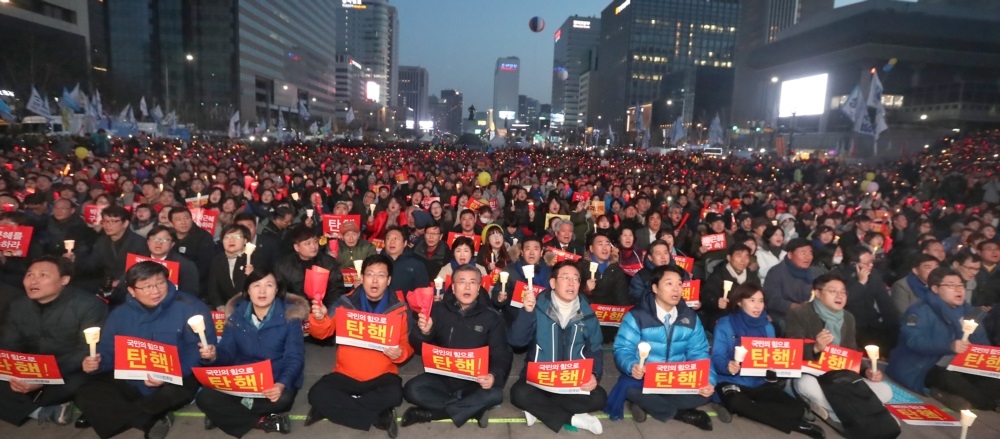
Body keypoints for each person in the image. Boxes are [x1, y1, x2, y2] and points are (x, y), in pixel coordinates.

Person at [75, 262, 217, 439]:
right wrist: (98, 362)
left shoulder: (191, 307)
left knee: (165, 397)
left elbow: (197, 351)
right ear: (132, 291)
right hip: (133, 378)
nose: (155, 291)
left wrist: (167, 375)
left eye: (160, 283)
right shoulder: (119, 314)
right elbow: (109, 350)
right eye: (147, 287)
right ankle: (150, 420)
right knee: (85, 393)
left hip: (177, 377)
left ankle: (127, 414)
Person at [304, 254, 413, 438]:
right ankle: (378, 417)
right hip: (346, 374)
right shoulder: (344, 303)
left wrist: (399, 353)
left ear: (389, 280)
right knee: (316, 393)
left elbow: (407, 345)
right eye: (370, 274)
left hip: (381, 376)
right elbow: (322, 333)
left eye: (381, 275)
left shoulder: (400, 309)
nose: (375, 280)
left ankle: (332, 409)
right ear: (361, 278)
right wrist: (320, 318)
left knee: (394, 394)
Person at [196, 270, 307, 437]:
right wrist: (214, 355)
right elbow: (227, 353)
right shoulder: (236, 316)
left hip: (274, 378)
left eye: (269, 285)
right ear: (248, 290)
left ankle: (223, 415)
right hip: (243, 379)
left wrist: (281, 384)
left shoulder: (290, 316)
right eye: (256, 285)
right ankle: (262, 421)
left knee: (282, 400)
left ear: (277, 290)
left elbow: (294, 357)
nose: (262, 291)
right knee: (204, 397)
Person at [606, 265, 718, 430]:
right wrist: (632, 366)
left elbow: (699, 352)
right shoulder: (637, 316)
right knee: (629, 388)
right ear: (655, 288)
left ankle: (649, 404)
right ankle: (680, 414)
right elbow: (623, 349)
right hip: (646, 376)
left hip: (676, 378)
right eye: (669, 283)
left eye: (680, 284)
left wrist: (708, 379)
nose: (676, 289)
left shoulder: (690, 318)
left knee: (705, 393)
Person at [0, 256, 108, 426]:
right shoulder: (18, 305)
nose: (33, 280)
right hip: (32, 366)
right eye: (29, 275)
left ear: (64, 279)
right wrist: (15, 372)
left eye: (43, 275)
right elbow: (9, 344)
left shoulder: (89, 305)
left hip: (70, 368)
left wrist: (42, 378)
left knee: (83, 383)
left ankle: (27, 403)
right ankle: (40, 411)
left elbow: (85, 351)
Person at [403, 264, 512, 428]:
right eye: (461, 282)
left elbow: (502, 354)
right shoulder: (438, 310)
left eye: (472, 282)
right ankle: (473, 409)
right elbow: (417, 346)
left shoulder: (492, 317)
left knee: (495, 395)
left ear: (479, 288)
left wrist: (493, 375)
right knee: (412, 389)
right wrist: (424, 331)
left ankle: (432, 413)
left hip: (474, 381)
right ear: (453, 288)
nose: (467, 287)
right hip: (442, 377)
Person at [711, 283, 826, 438]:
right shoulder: (726, 324)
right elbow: (717, 357)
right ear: (739, 302)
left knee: (796, 408)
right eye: (752, 300)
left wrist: (774, 371)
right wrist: (727, 366)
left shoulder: (767, 327)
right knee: (737, 402)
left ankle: (750, 409)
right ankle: (799, 426)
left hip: (758, 382)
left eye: (761, 300)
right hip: (731, 380)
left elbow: (771, 359)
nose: (757, 306)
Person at [508, 261, 607, 435]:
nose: (571, 283)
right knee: (518, 393)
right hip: (540, 380)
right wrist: (526, 313)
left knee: (600, 397)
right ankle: (573, 418)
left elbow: (596, 348)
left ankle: (537, 409)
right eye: (566, 278)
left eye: (576, 279)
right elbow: (517, 341)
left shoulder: (588, 313)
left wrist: (594, 374)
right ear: (553, 283)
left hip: (572, 381)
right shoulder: (537, 306)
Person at [786, 273, 893, 431]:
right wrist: (815, 347)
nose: (839, 296)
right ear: (817, 292)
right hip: (810, 374)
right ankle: (843, 414)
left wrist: (867, 371)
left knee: (886, 390)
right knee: (806, 385)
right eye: (833, 291)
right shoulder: (800, 312)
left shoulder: (848, 318)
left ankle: (833, 410)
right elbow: (790, 349)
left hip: (838, 379)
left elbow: (852, 351)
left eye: (843, 292)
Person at [887, 267, 1000, 412]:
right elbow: (914, 341)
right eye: (951, 285)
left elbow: (983, 343)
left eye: (960, 285)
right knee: (950, 379)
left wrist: (982, 355)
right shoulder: (919, 310)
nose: (959, 290)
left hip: (960, 363)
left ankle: (949, 395)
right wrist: (949, 346)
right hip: (924, 366)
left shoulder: (970, 312)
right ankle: (991, 405)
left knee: (990, 379)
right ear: (935, 288)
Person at [833, 246, 898, 350]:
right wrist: (861, 283)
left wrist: (894, 325)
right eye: (867, 263)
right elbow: (842, 301)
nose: (871, 265)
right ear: (853, 264)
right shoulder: (837, 275)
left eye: (872, 262)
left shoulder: (873, 275)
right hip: (846, 325)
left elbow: (885, 302)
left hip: (870, 323)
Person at [274, 225, 348, 308]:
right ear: (296, 247)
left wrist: (327, 311)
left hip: (324, 310)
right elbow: (281, 294)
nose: (313, 246)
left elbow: (337, 291)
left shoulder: (329, 262)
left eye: (315, 242)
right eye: (307, 243)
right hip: (295, 311)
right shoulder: (283, 266)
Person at [763, 238, 825, 334]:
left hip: (813, 313)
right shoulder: (776, 272)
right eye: (803, 253)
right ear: (790, 255)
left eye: (810, 253)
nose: (808, 257)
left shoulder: (816, 272)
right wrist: (795, 306)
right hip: (784, 316)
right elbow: (772, 300)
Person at [577, 232, 630, 341]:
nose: (605, 247)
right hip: (585, 319)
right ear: (591, 248)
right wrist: (585, 289)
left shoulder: (616, 270)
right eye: (600, 244)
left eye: (607, 244)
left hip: (608, 319)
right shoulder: (580, 267)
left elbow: (621, 298)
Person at [490, 235, 552, 327]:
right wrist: (499, 298)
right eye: (527, 249)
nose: (531, 253)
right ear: (522, 252)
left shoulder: (549, 272)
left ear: (541, 252)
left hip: (541, 322)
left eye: (535, 249)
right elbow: (496, 292)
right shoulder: (510, 270)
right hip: (514, 320)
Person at [700, 243, 757, 334]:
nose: (743, 260)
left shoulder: (751, 276)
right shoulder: (718, 275)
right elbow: (706, 296)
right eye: (739, 255)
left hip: (747, 317)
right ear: (729, 258)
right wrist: (716, 302)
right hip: (724, 317)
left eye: (746, 256)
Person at [169, 207, 218, 292]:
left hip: (196, 283)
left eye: (186, 218)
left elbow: (205, 266)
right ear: (171, 223)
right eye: (178, 219)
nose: (183, 222)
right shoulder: (168, 236)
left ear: (192, 219)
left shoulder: (204, 237)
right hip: (171, 280)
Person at [206, 224, 255, 309]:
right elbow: (213, 288)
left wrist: (254, 276)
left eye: (236, 236)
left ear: (245, 241)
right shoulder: (217, 260)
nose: (231, 240)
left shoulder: (253, 259)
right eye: (227, 237)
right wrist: (220, 306)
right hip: (226, 308)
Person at [382, 226, 430, 296]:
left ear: (405, 243)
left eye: (396, 238)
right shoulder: (376, 263)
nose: (392, 242)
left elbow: (423, 293)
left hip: (407, 305)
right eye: (388, 238)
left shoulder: (416, 264)